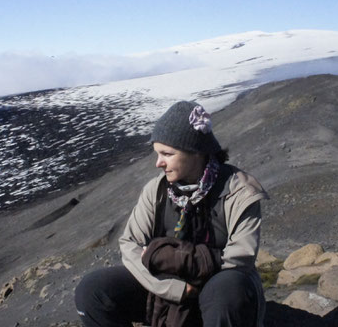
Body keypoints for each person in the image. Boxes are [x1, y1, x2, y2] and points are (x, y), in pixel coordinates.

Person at [75, 100, 268, 326]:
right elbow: (130, 244)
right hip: (167, 288)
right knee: (92, 291)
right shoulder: (156, 191)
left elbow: (240, 258)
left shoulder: (240, 192)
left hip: (217, 289)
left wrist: (174, 259)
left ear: (195, 151)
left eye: (167, 154)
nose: (158, 163)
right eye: (157, 154)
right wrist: (173, 288)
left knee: (228, 290)